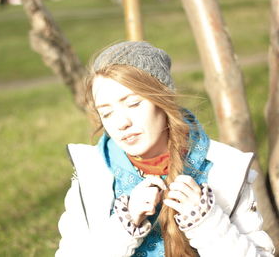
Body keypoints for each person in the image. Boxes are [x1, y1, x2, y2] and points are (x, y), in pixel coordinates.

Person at [55, 41, 275, 257]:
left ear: (163, 101)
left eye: (133, 103)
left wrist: (206, 220)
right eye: (107, 113)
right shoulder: (93, 172)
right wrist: (125, 223)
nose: (121, 123)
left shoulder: (224, 168)